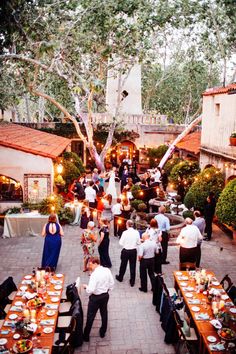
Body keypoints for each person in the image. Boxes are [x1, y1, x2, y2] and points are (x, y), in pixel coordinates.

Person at [83, 257, 114, 341]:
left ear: (95, 263)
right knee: (104, 313)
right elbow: (112, 283)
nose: (89, 266)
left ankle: (86, 335)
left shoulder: (94, 275)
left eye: (90, 264)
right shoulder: (107, 270)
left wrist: (86, 287)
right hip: (105, 296)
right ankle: (103, 332)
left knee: (90, 316)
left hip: (95, 298)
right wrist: (107, 290)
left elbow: (90, 290)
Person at [116, 220, 140, 287]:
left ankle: (120, 277)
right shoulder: (136, 232)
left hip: (126, 251)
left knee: (123, 265)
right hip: (133, 251)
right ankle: (132, 281)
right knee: (133, 266)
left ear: (127, 225)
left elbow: (120, 243)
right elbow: (138, 242)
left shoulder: (125, 233)